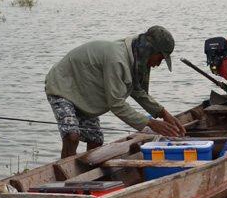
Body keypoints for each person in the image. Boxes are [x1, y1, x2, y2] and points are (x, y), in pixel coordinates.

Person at [44, 25, 187, 158]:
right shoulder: (117, 60)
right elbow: (116, 104)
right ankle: (66, 182)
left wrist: (163, 113)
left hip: (84, 92)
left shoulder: (135, 58)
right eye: (160, 58)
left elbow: (137, 91)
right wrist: (151, 123)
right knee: (72, 136)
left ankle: (87, 178)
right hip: (62, 85)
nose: (158, 64)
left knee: (96, 139)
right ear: (150, 50)